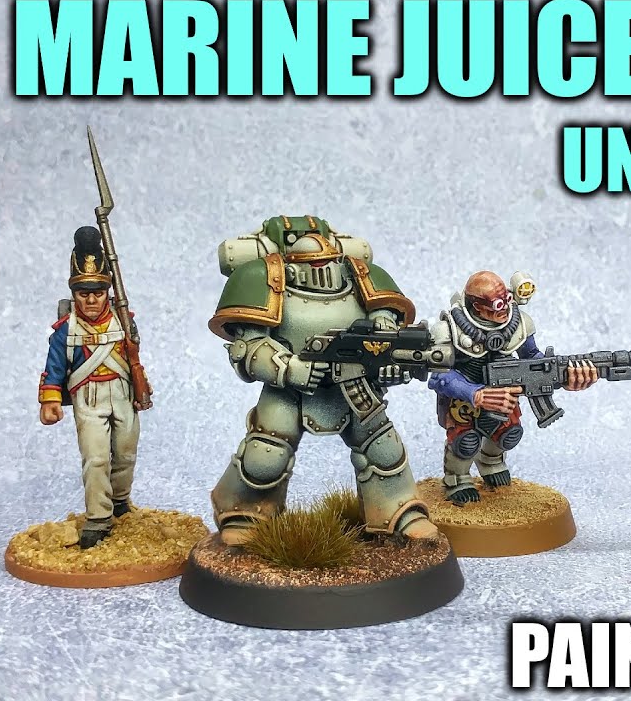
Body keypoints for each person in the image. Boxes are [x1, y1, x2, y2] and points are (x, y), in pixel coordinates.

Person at [207, 215, 438, 545]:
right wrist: (290, 368)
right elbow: (248, 347)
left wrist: (387, 360)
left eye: (327, 260)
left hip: (354, 386)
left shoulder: (361, 278)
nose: (320, 266)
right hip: (289, 391)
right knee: (266, 453)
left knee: (382, 448)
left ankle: (398, 512)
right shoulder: (265, 281)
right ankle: (245, 514)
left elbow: (386, 330)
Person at [428, 271, 597, 504]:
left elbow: (532, 358)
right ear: (477, 306)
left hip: (505, 396)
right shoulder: (449, 330)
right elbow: (439, 376)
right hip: (464, 399)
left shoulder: (519, 323)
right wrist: (475, 394)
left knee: (508, 434)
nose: (505, 308)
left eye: (506, 299)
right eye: (497, 304)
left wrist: (565, 375)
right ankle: (457, 478)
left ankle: (491, 463)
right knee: (465, 443)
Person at [38, 226, 144, 549]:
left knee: (125, 453)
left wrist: (142, 386)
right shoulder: (66, 330)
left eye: (98, 292)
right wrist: (49, 400)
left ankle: (120, 501)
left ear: (107, 291)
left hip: (123, 394)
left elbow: (134, 358)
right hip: (89, 397)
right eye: (84, 293)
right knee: (96, 458)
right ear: (74, 294)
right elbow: (55, 366)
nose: (92, 299)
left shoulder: (123, 319)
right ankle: (98, 517)